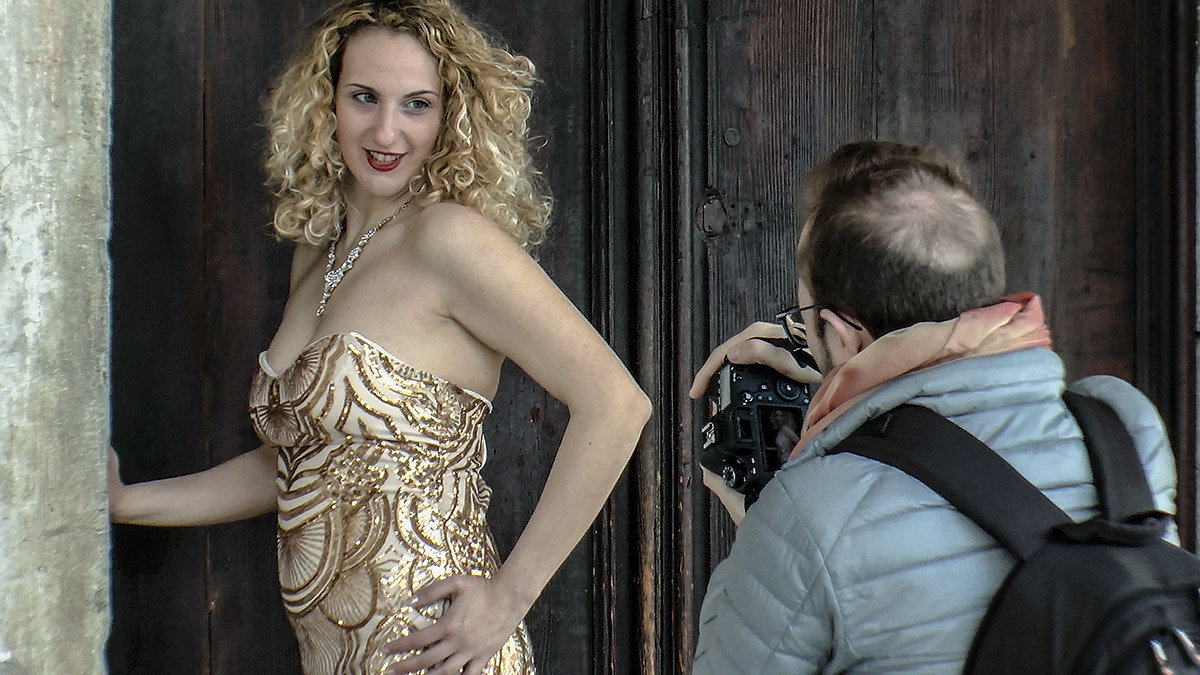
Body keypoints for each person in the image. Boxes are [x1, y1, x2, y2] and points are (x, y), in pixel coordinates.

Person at [107, 2, 651, 674]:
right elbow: (303, 466)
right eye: (364, 97)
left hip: (439, 649)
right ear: (325, 102)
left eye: (416, 105)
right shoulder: (318, 254)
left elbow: (618, 403)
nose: (386, 130)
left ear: (450, 116)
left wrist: (511, 594)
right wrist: (132, 502)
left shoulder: (450, 238)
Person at [688, 140, 1179, 673]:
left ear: (842, 335)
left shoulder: (807, 515)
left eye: (805, 313)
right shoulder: (1122, 429)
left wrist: (773, 533)